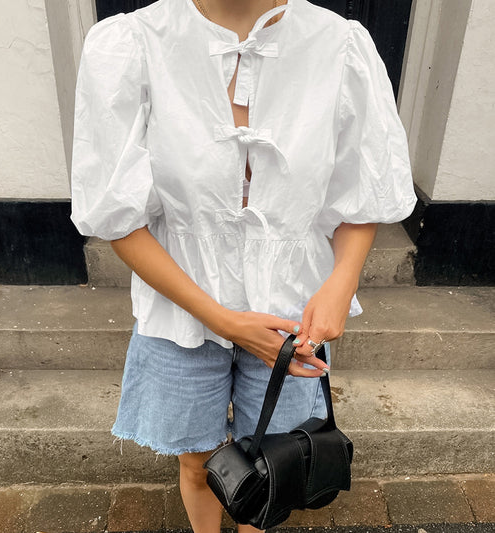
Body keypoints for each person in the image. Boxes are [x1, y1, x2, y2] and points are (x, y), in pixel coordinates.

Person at [70, 0, 417, 531]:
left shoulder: (339, 46)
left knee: (278, 458)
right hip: (181, 307)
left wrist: (340, 286)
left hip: (291, 309)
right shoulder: (134, 43)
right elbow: (117, 216)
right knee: (197, 459)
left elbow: (363, 194)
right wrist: (223, 318)